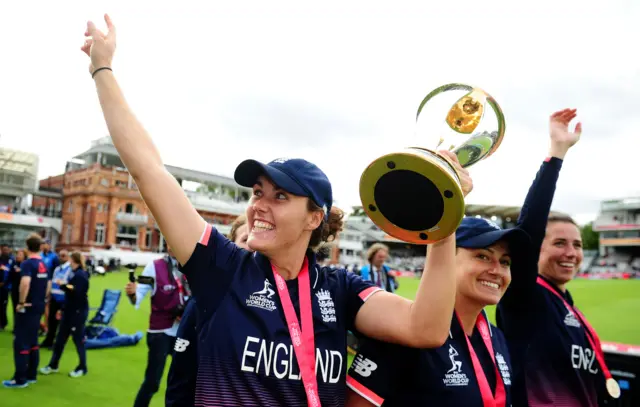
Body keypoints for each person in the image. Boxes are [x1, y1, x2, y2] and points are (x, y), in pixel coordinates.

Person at [82, 14, 469, 406]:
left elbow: (426, 328)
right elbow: (148, 169)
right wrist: (103, 68)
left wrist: (445, 210)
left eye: (280, 197)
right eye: (256, 192)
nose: (259, 207)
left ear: (314, 218)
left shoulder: (338, 290)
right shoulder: (222, 269)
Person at [494, 109, 618, 406]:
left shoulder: (566, 304)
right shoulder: (525, 295)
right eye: (560, 243)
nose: (571, 253)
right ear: (537, 249)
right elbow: (529, 229)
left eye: (577, 244)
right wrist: (557, 153)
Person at [345, 217, 530, 406]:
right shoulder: (405, 332)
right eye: (483, 256)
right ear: (446, 259)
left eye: (505, 262)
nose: (497, 270)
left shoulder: (496, 337)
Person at [166, 214, 250, 407]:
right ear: (232, 248)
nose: (252, 245)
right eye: (245, 240)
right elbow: (181, 381)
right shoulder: (205, 301)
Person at [3, 234, 49, 388]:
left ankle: (20, 379)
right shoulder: (43, 263)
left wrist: (21, 302)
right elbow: (48, 284)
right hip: (38, 306)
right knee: (33, 341)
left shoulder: (28, 264)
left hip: (27, 307)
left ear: (26, 246)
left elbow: (25, 282)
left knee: (21, 341)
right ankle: (31, 375)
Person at [40, 252, 90, 378]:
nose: (70, 263)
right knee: (60, 340)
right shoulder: (76, 274)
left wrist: (63, 286)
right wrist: (62, 308)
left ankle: (82, 367)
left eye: (71, 260)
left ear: (75, 261)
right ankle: (53, 365)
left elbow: (76, 291)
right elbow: (71, 291)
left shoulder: (81, 275)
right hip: (69, 311)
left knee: (78, 340)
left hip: (77, 312)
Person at [40, 249, 71, 348]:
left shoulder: (70, 269)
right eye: (60, 256)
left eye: (63, 256)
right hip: (54, 297)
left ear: (68, 257)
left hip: (63, 298)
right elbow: (52, 282)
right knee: (51, 320)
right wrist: (48, 295)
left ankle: (57, 343)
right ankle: (48, 340)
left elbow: (69, 285)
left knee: (60, 322)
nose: (61, 258)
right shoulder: (57, 269)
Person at [0, 243, 14, 330]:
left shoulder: (12, 260)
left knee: (3, 305)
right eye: (3, 249)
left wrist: (5, 283)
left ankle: (3, 323)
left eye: (6, 249)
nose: (5, 251)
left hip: (5, 287)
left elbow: (11, 274)